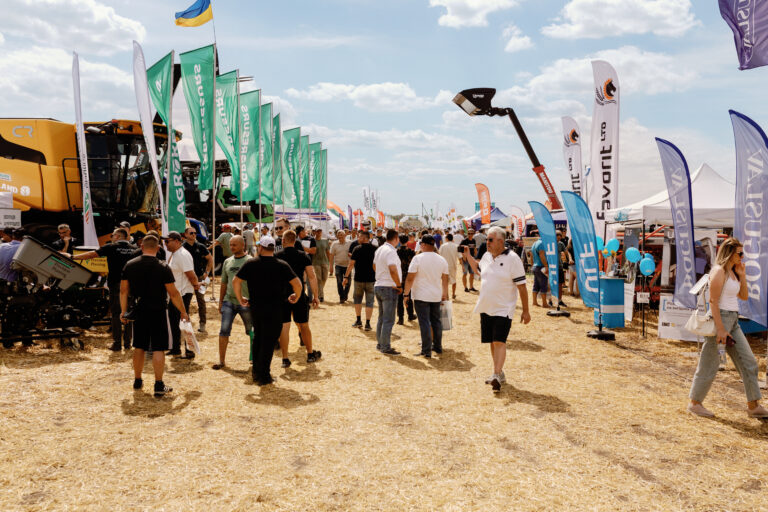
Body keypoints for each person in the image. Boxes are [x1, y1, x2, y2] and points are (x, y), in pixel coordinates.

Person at [688, 238, 768, 418]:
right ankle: (694, 403)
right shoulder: (718, 271)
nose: (742, 256)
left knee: (749, 361)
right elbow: (713, 301)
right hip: (720, 319)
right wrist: (720, 329)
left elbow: (744, 296)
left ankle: (753, 406)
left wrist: (742, 275)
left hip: (733, 321)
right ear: (729, 252)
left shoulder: (733, 272)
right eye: (740, 253)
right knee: (710, 363)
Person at [120, 234, 188, 397]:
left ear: (141, 247)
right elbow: (173, 293)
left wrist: (123, 311)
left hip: (139, 309)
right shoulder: (163, 267)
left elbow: (123, 291)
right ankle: (158, 384)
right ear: (158, 248)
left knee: (139, 346)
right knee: (158, 347)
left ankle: (137, 380)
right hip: (158, 309)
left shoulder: (130, 265)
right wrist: (183, 311)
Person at [464, 226, 530, 393]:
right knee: (492, 342)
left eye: (490, 240)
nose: (487, 242)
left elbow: (522, 287)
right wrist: (468, 256)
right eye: (487, 239)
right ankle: (499, 372)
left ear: (501, 241)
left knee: (500, 341)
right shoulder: (487, 256)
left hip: (504, 308)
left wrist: (526, 310)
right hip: (486, 306)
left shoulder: (513, 259)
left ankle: (495, 374)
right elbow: (478, 270)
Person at [233, 236, 302, 386]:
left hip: (256, 307)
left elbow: (236, 281)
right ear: (273, 248)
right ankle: (264, 375)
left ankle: (256, 372)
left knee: (259, 338)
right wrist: (296, 296)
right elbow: (298, 284)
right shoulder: (281, 265)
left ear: (261, 248)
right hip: (275, 308)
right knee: (269, 341)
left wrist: (240, 298)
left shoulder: (251, 263)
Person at [73, 228, 137, 351]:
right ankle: (128, 343)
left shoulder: (111, 247)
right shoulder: (134, 249)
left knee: (116, 313)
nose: (111, 238)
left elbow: (91, 255)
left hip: (116, 284)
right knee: (129, 312)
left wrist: (72, 257)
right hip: (131, 285)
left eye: (112, 235)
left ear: (117, 236)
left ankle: (117, 343)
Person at [276, 230, 321, 367]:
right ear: (295, 241)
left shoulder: (277, 256)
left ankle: (285, 358)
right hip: (299, 293)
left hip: (282, 295)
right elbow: (312, 276)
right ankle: (310, 354)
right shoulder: (303, 255)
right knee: (304, 325)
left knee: (284, 326)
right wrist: (316, 296)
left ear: (283, 240)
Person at [404, 235, 449, 357]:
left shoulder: (417, 258)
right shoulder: (441, 259)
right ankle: (438, 346)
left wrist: (406, 294)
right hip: (436, 295)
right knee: (436, 321)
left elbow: (410, 278)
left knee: (424, 322)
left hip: (421, 295)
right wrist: (445, 294)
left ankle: (426, 350)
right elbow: (445, 279)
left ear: (423, 245)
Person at [213, 235, 252, 370]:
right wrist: (220, 301)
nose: (231, 247)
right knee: (224, 331)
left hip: (246, 302)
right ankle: (221, 361)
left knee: (251, 331)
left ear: (242, 245)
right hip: (228, 301)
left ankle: (254, 358)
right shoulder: (227, 262)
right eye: (230, 245)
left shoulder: (250, 261)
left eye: (234, 245)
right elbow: (224, 283)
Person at [165, 231, 199, 359]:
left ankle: (189, 351)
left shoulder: (183, 254)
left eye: (167, 241)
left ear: (177, 241)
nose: (165, 244)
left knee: (184, 322)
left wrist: (196, 285)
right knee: (174, 322)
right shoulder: (175, 254)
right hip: (175, 293)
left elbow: (191, 274)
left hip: (183, 293)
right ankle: (175, 349)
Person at [373, 229, 403, 355]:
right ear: (395, 239)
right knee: (388, 319)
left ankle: (380, 343)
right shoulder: (391, 251)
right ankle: (385, 346)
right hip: (389, 287)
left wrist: (381, 275)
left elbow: (374, 266)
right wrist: (398, 285)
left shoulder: (380, 249)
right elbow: (392, 269)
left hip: (379, 285)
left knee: (382, 317)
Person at [344, 231, 376, 331]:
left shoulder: (357, 249)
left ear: (365, 238)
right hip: (371, 279)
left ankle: (358, 320)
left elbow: (351, 264)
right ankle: (368, 323)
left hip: (359, 278)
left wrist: (346, 276)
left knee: (357, 300)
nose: (358, 238)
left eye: (360, 237)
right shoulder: (375, 249)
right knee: (369, 302)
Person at [183, 227, 213, 333]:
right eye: (191, 233)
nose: (194, 234)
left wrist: (207, 273)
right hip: (186, 279)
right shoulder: (182, 247)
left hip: (200, 277)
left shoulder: (201, 246)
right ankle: (186, 325)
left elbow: (210, 259)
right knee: (185, 302)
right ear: (186, 235)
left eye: (195, 233)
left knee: (201, 301)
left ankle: (202, 324)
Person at [395, 234, 416, 324]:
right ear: (407, 241)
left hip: (398, 277)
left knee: (399, 298)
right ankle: (410, 315)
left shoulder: (396, 252)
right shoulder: (411, 252)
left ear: (399, 241)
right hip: (408, 277)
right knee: (409, 296)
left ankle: (400, 318)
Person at [329, 230, 352, 303]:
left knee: (348, 283)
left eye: (341, 234)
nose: (340, 236)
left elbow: (353, 253)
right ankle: (342, 297)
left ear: (345, 235)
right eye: (338, 235)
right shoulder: (334, 244)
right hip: (338, 265)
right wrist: (331, 266)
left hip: (348, 266)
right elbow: (331, 255)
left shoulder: (350, 243)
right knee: (339, 282)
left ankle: (345, 294)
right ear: (337, 236)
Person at [530, 234, 551, 307]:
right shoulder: (542, 243)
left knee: (536, 285)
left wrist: (532, 265)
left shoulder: (534, 243)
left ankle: (534, 302)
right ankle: (544, 303)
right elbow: (542, 255)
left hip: (535, 266)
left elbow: (531, 255)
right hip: (541, 267)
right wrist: (546, 266)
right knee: (543, 285)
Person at [311, 228, 331, 303]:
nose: (319, 233)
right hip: (315, 262)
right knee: (319, 279)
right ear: (315, 232)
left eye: (320, 232)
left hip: (325, 262)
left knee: (324, 278)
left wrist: (330, 263)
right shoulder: (312, 241)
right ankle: (321, 296)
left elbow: (328, 252)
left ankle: (319, 291)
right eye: (317, 232)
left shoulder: (325, 241)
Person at [439, 233, 460, 299]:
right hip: (453, 265)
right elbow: (460, 256)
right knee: (454, 280)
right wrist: (462, 265)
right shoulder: (456, 246)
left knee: (445, 281)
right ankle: (453, 294)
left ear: (446, 239)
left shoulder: (443, 246)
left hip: (444, 266)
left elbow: (439, 256)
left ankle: (447, 295)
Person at [555, 230, 568, 308]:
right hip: (552, 267)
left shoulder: (561, 244)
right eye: (557, 235)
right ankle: (551, 300)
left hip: (559, 266)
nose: (559, 237)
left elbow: (566, 252)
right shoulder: (550, 244)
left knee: (560, 284)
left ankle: (560, 300)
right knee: (552, 284)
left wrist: (569, 258)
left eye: (560, 236)